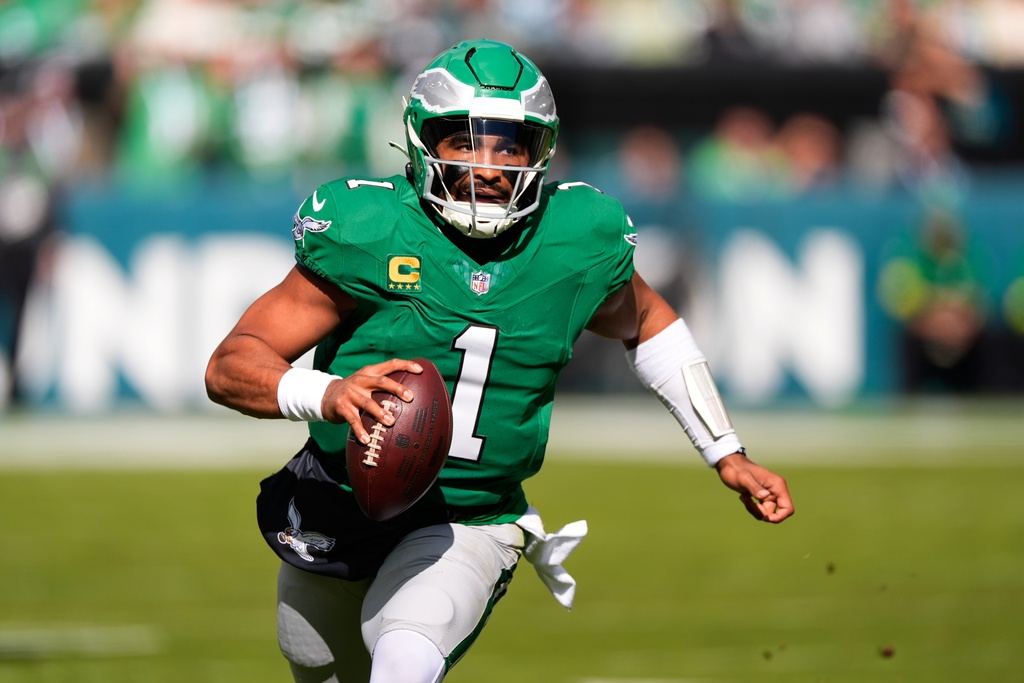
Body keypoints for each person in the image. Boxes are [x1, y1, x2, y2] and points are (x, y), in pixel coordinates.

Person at [205, 39, 794, 683]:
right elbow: (231, 364)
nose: (487, 166)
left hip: (470, 517)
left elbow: (649, 322)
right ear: (422, 140)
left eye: (509, 144)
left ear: (540, 151)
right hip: (340, 498)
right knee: (320, 666)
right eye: (464, 140)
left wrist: (725, 450)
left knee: (404, 655)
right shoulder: (368, 228)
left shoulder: (574, 237)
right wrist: (328, 393)